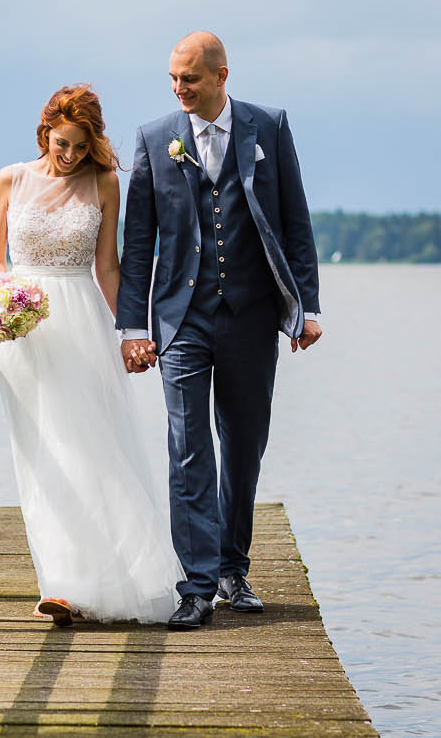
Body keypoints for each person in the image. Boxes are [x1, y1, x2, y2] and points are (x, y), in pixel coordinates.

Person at [117, 31, 323, 631]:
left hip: (255, 314)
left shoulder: (269, 127)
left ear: (221, 76)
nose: (180, 90)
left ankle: (234, 567)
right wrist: (133, 324)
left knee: (243, 444)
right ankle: (198, 584)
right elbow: (137, 245)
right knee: (188, 447)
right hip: (180, 317)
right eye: (174, 80)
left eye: (191, 79)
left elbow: (295, 222)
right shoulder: (156, 139)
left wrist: (307, 308)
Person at [0, 84, 181, 626]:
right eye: (60, 143)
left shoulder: (104, 182)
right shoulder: (10, 178)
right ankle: (59, 583)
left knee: (90, 446)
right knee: (40, 455)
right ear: (45, 130)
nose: (68, 156)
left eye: (78, 146)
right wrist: (4, 299)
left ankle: (101, 579)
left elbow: (108, 267)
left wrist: (130, 332)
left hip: (81, 321)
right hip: (25, 327)